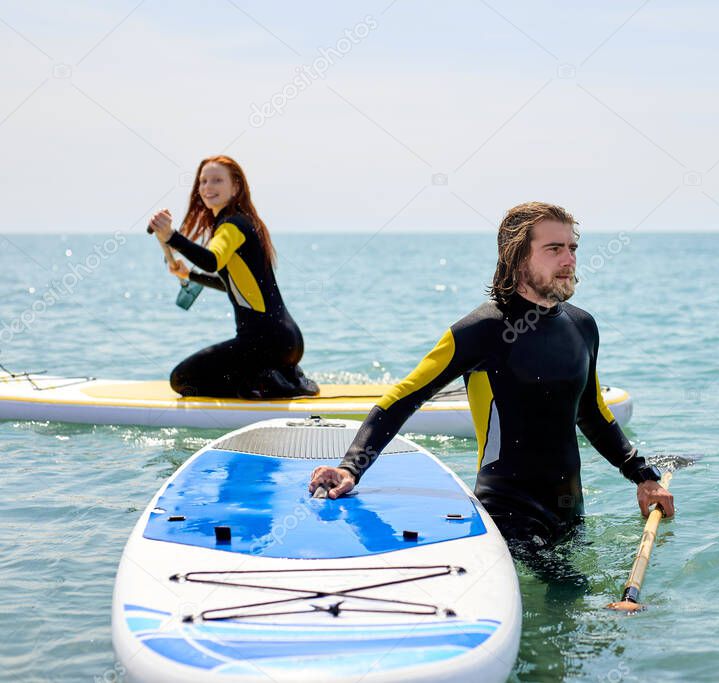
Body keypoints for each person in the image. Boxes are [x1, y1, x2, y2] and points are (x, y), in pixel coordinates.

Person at [308, 201, 673, 549]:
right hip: (507, 516)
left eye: (572, 247)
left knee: (576, 599)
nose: (569, 259)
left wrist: (643, 477)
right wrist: (350, 469)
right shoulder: (483, 329)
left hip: (569, 513)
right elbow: (402, 398)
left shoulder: (582, 326)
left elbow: (591, 411)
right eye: (554, 249)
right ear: (517, 258)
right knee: (566, 591)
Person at [147, 155, 319, 400]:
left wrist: (171, 236)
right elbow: (234, 286)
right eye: (203, 181)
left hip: (263, 343)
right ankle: (280, 376)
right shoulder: (245, 223)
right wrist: (190, 275)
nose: (208, 187)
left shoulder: (231, 226)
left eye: (217, 180)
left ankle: (265, 384)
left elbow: (211, 260)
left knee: (182, 380)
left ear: (235, 187)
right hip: (288, 343)